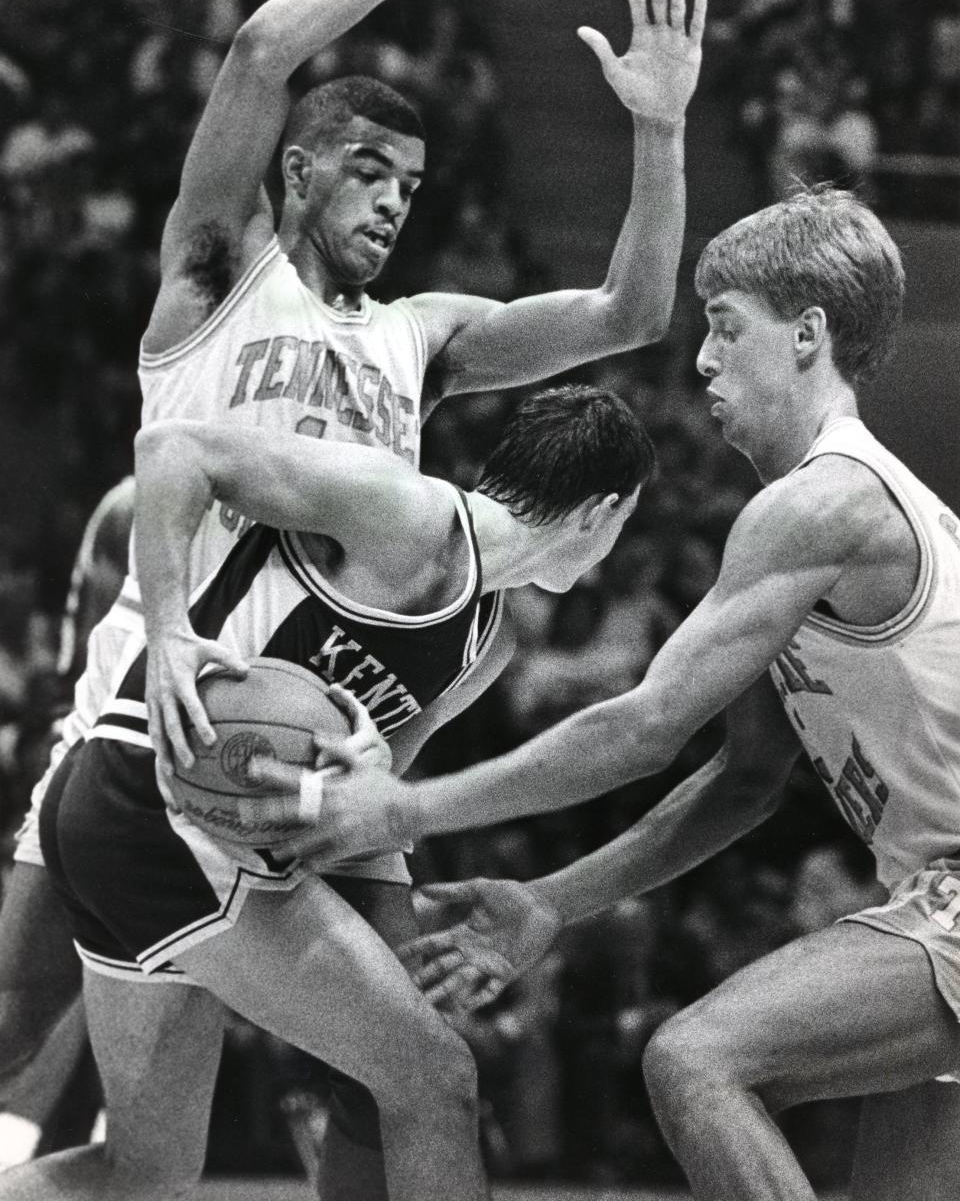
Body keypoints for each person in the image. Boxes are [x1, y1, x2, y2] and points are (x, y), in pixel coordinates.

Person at [0, 0, 705, 1189]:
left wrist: (660, 128)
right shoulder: (218, 268)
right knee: (31, 1053)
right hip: (166, 688)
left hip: (327, 726)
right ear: (299, 166)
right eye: (370, 170)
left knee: (411, 1068)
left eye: (414, 186)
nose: (392, 201)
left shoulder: (418, 340)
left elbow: (628, 313)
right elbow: (266, 45)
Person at [282, 186, 960, 1201]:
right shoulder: (834, 515)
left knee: (698, 1059)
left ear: (809, 334)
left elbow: (644, 725)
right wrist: (552, 903)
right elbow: (742, 781)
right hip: (927, 895)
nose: (702, 361)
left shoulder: (821, 502)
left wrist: (408, 805)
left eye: (728, 330)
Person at [0, 382, 655, 1201]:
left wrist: (368, 807)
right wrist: (169, 628)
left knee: (144, 1173)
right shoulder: (406, 511)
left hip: (168, 830)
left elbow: (379, 789)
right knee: (435, 1078)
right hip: (154, 796)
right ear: (601, 512)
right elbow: (174, 450)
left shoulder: (491, 638)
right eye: (625, 526)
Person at [0, 477, 132, 1169]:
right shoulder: (131, 505)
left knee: (107, 986)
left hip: (134, 764)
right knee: (29, 1003)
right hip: (92, 745)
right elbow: (88, 667)